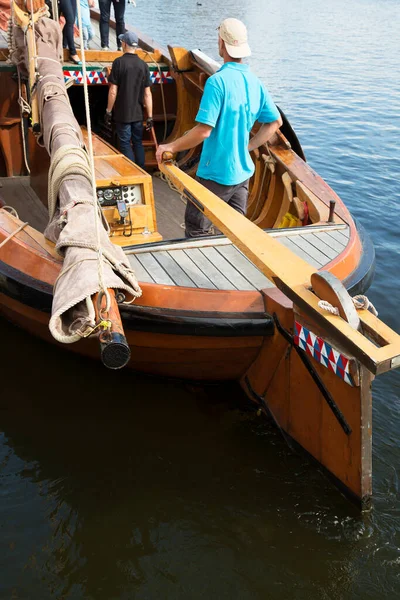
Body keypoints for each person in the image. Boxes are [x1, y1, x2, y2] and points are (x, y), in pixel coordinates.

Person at [156, 18, 283, 238]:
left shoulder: (217, 82)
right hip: (242, 174)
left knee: (197, 230)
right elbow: (275, 122)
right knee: (235, 233)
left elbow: (203, 131)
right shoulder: (255, 82)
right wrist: (248, 147)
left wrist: (171, 146)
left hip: (215, 174)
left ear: (222, 44)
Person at [105, 31, 153, 169]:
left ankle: (133, 171)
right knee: (137, 142)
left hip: (122, 114)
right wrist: (149, 117)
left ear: (124, 44)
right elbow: (147, 94)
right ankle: (142, 169)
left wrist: (108, 111)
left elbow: (113, 91)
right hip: (138, 114)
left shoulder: (118, 63)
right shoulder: (143, 65)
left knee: (125, 143)